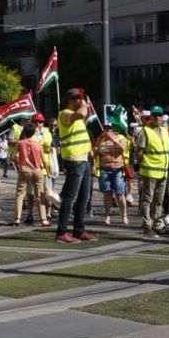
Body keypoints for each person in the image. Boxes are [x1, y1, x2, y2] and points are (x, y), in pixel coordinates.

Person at [55, 89, 95, 243]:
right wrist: (84, 103)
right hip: (74, 159)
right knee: (70, 197)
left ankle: (79, 230)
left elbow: (83, 119)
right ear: (70, 100)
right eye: (78, 98)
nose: (81, 100)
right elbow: (82, 114)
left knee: (84, 197)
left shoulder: (76, 116)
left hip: (83, 158)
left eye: (81, 98)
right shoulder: (64, 113)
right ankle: (61, 232)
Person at [132, 108, 169, 240]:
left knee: (159, 200)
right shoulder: (145, 131)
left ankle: (158, 224)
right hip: (150, 170)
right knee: (147, 199)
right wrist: (141, 164)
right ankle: (147, 225)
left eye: (160, 115)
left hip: (163, 171)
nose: (158, 118)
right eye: (155, 115)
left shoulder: (165, 131)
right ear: (151, 117)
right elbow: (139, 151)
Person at [11, 120, 46, 228]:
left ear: (24, 132)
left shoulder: (20, 143)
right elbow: (44, 160)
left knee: (20, 194)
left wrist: (18, 160)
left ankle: (17, 218)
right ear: (34, 132)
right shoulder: (38, 144)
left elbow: (12, 157)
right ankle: (43, 219)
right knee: (40, 195)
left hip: (24, 170)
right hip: (37, 171)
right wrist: (48, 171)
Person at [95, 122, 130, 226]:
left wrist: (113, 140)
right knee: (107, 193)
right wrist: (97, 150)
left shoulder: (121, 138)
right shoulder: (101, 139)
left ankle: (124, 215)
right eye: (106, 128)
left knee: (120, 194)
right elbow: (96, 152)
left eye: (110, 128)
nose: (108, 130)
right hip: (104, 169)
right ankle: (107, 215)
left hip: (118, 169)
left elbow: (123, 148)